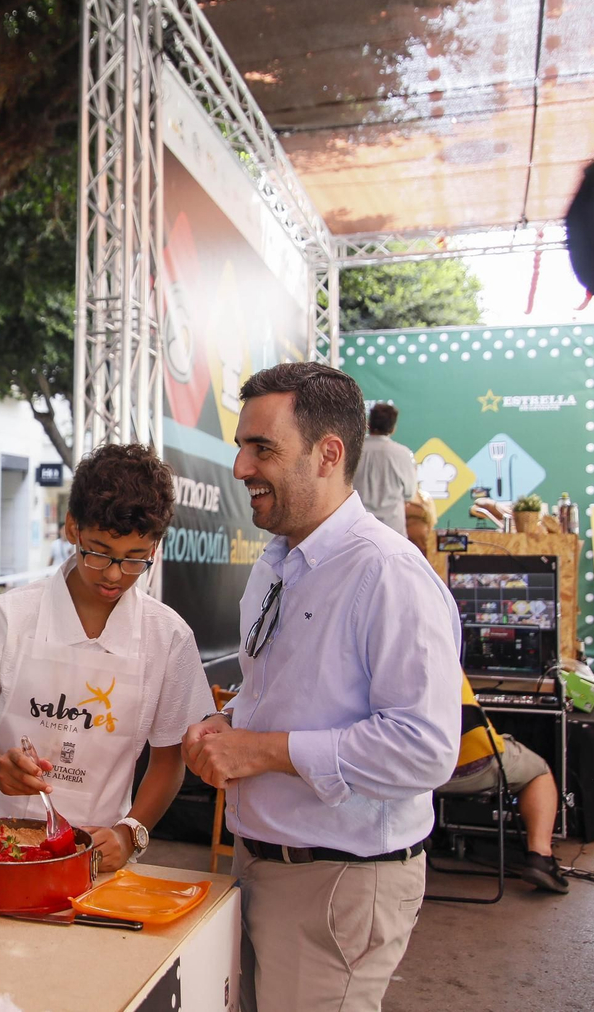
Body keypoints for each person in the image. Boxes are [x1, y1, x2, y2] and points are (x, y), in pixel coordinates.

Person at [181, 363, 460, 1012]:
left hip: (336, 883)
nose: (241, 468)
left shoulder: (388, 574)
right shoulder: (279, 564)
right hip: (265, 867)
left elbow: (425, 748)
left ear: (328, 454)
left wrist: (264, 751)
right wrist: (232, 730)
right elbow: (281, 696)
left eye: (263, 448)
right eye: (241, 446)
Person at [0, 444, 212, 871]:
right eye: (98, 552)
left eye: (136, 560)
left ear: (156, 545)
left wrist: (131, 831)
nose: (115, 574)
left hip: (94, 857)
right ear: (72, 529)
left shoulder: (168, 636)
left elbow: (168, 760)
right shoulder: (12, 615)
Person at [444, 674, 569, 892]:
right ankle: (540, 856)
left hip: (410, 775)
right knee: (538, 771)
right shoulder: (443, 654)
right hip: (473, 765)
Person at [352, 402, 417, 536]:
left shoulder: (353, 450)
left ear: (368, 424)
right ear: (393, 428)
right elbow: (410, 494)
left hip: (356, 529)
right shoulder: (403, 454)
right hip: (393, 530)